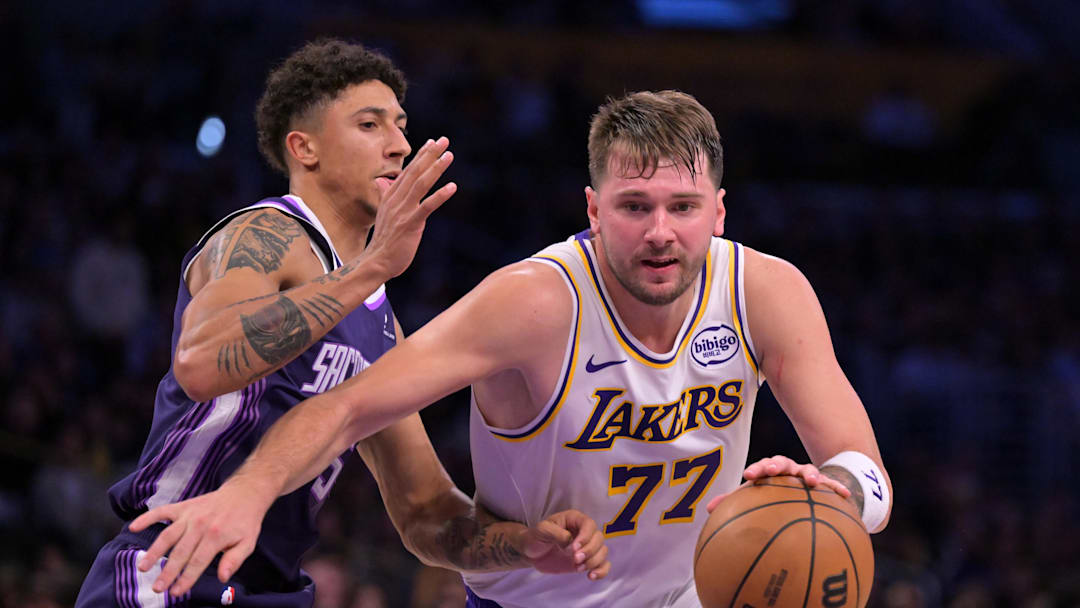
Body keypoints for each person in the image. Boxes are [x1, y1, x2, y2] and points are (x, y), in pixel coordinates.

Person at [130, 90, 893, 607]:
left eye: (683, 207)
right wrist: (248, 492)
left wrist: (837, 492)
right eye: (634, 206)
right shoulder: (534, 302)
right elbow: (350, 406)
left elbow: (867, 473)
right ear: (593, 210)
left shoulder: (768, 291)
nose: (661, 230)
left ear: (719, 212)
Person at [75, 39, 608, 607]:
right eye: (370, 125)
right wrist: (372, 265)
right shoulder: (266, 234)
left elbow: (425, 510)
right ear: (305, 149)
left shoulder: (378, 320)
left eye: (400, 125)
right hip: (171, 566)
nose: (399, 145)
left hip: (272, 587)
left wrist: (522, 546)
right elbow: (201, 362)